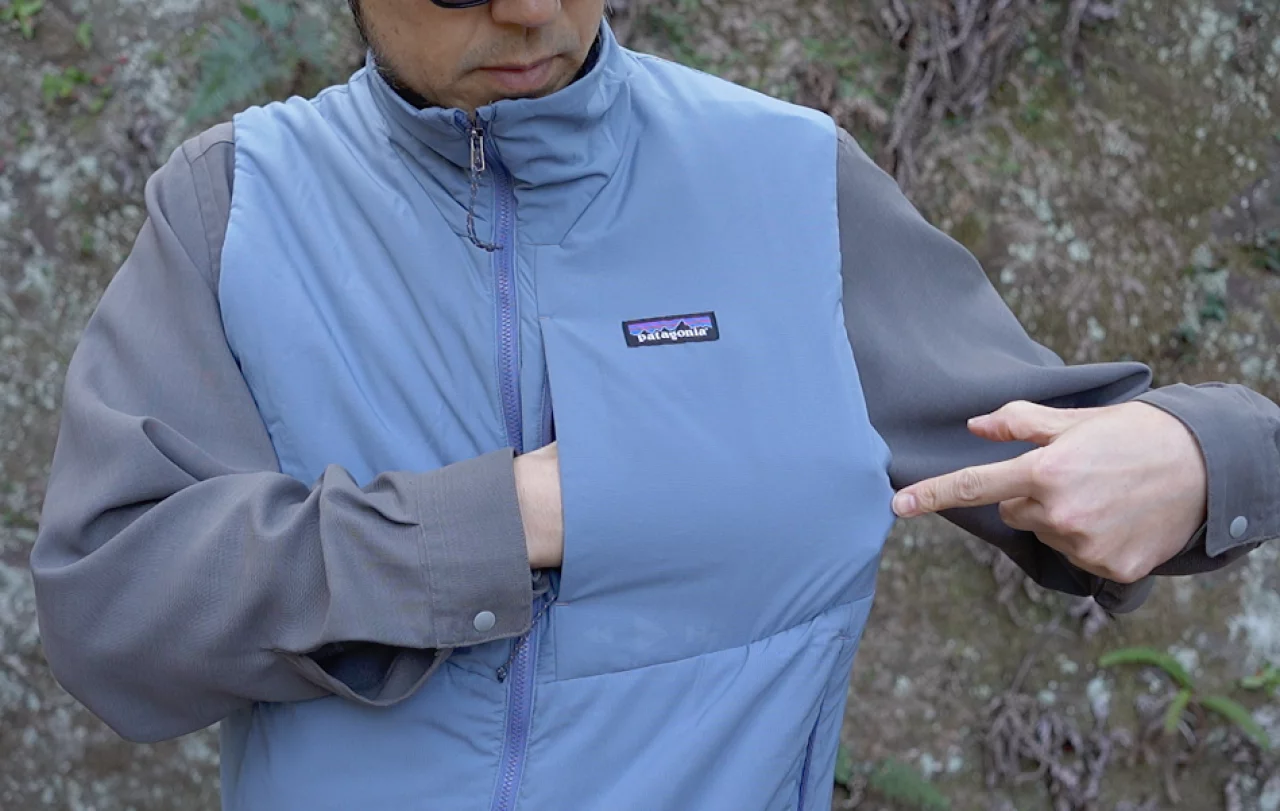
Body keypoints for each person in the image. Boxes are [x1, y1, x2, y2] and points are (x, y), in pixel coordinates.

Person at [29, 1, 1278, 809]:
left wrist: (1196, 455)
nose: (528, 11)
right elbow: (113, 607)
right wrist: (508, 519)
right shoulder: (235, 207)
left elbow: (1070, 443)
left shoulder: (784, 181)